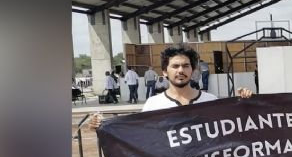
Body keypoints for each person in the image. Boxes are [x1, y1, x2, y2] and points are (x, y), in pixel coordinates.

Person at [89, 45, 252, 125]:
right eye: (175, 66)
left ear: (193, 70)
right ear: (165, 72)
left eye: (186, 66)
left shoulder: (210, 101)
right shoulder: (153, 105)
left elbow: (232, 129)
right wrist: (102, 126)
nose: (180, 70)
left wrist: (247, 104)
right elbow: (140, 137)